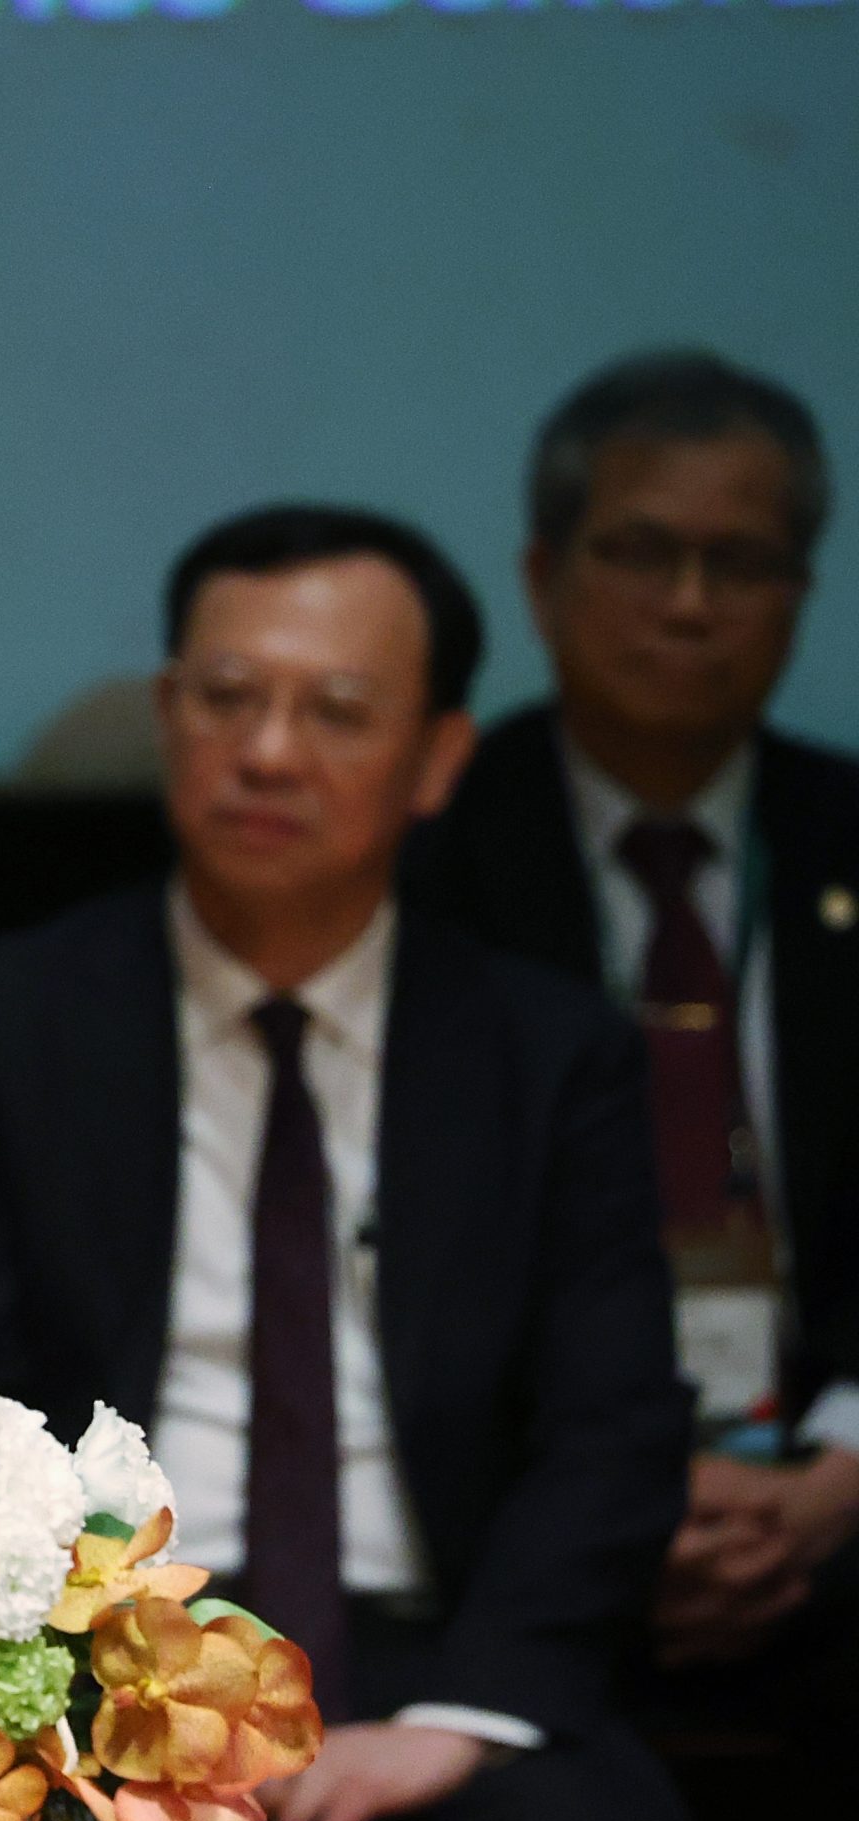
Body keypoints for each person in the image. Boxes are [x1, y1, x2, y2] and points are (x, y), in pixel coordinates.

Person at [0, 506, 702, 1821]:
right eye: (227, 697)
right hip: (100, 1646)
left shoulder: (546, 1052)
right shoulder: (1, 1025)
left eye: (336, 711)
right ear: (168, 714)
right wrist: (90, 1669)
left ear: (439, 758)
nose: (266, 752)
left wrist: (458, 1718)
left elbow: (612, 1428)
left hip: (434, 1650)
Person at [410, 352, 859, 1698]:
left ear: (801, 593)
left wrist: (842, 1477)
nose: (689, 604)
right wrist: (610, 1487)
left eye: (742, 563)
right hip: (511, 1502)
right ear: (543, 579)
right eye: (642, 553)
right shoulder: (424, 858)